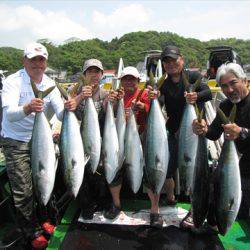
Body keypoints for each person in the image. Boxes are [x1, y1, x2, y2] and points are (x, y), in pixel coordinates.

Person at [1, 42, 78, 249]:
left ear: (46, 62)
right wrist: (27, 108)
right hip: (15, 141)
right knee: (23, 190)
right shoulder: (12, 81)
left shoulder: (49, 84)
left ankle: (45, 218)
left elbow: (61, 113)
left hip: (40, 140)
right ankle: (31, 230)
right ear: (24, 60)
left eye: (41, 60)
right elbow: (9, 114)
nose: (37, 64)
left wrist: (70, 106)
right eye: (33, 59)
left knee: (46, 180)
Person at [148, 45, 212, 227]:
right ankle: (167, 199)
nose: (170, 64)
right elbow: (160, 102)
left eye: (173, 60)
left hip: (194, 132)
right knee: (165, 166)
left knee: (194, 169)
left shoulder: (193, 76)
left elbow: (208, 93)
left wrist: (195, 96)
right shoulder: (164, 83)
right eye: (166, 61)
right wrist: (154, 96)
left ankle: (193, 209)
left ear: (181, 59)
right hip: (172, 131)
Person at [192, 62, 250, 232]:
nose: (229, 90)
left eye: (233, 83)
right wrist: (202, 128)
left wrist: (243, 132)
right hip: (240, 166)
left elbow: (242, 133)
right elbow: (214, 133)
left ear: (245, 80)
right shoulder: (225, 106)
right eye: (224, 86)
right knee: (217, 209)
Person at [103, 66, 152, 221]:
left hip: (141, 136)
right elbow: (107, 113)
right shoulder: (117, 95)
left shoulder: (145, 94)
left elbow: (155, 112)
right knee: (113, 166)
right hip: (118, 137)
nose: (129, 82)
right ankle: (116, 204)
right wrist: (114, 103)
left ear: (138, 81)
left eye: (132, 79)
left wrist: (143, 107)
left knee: (147, 167)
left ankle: (154, 206)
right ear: (121, 81)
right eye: (125, 79)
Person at [76, 59, 117, 219]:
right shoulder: (75, 91)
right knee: (81, 172)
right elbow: (68, 108)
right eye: (90, 72)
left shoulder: (105, 93)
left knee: (101, 170)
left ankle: (103, 203)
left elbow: (109, 113)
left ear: (101, 74)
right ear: (84, 74)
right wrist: (81, 95)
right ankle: (86, 205)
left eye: (97, 72)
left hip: (100, 139)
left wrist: (110, 103)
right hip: (79, 140)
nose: (94, 75)